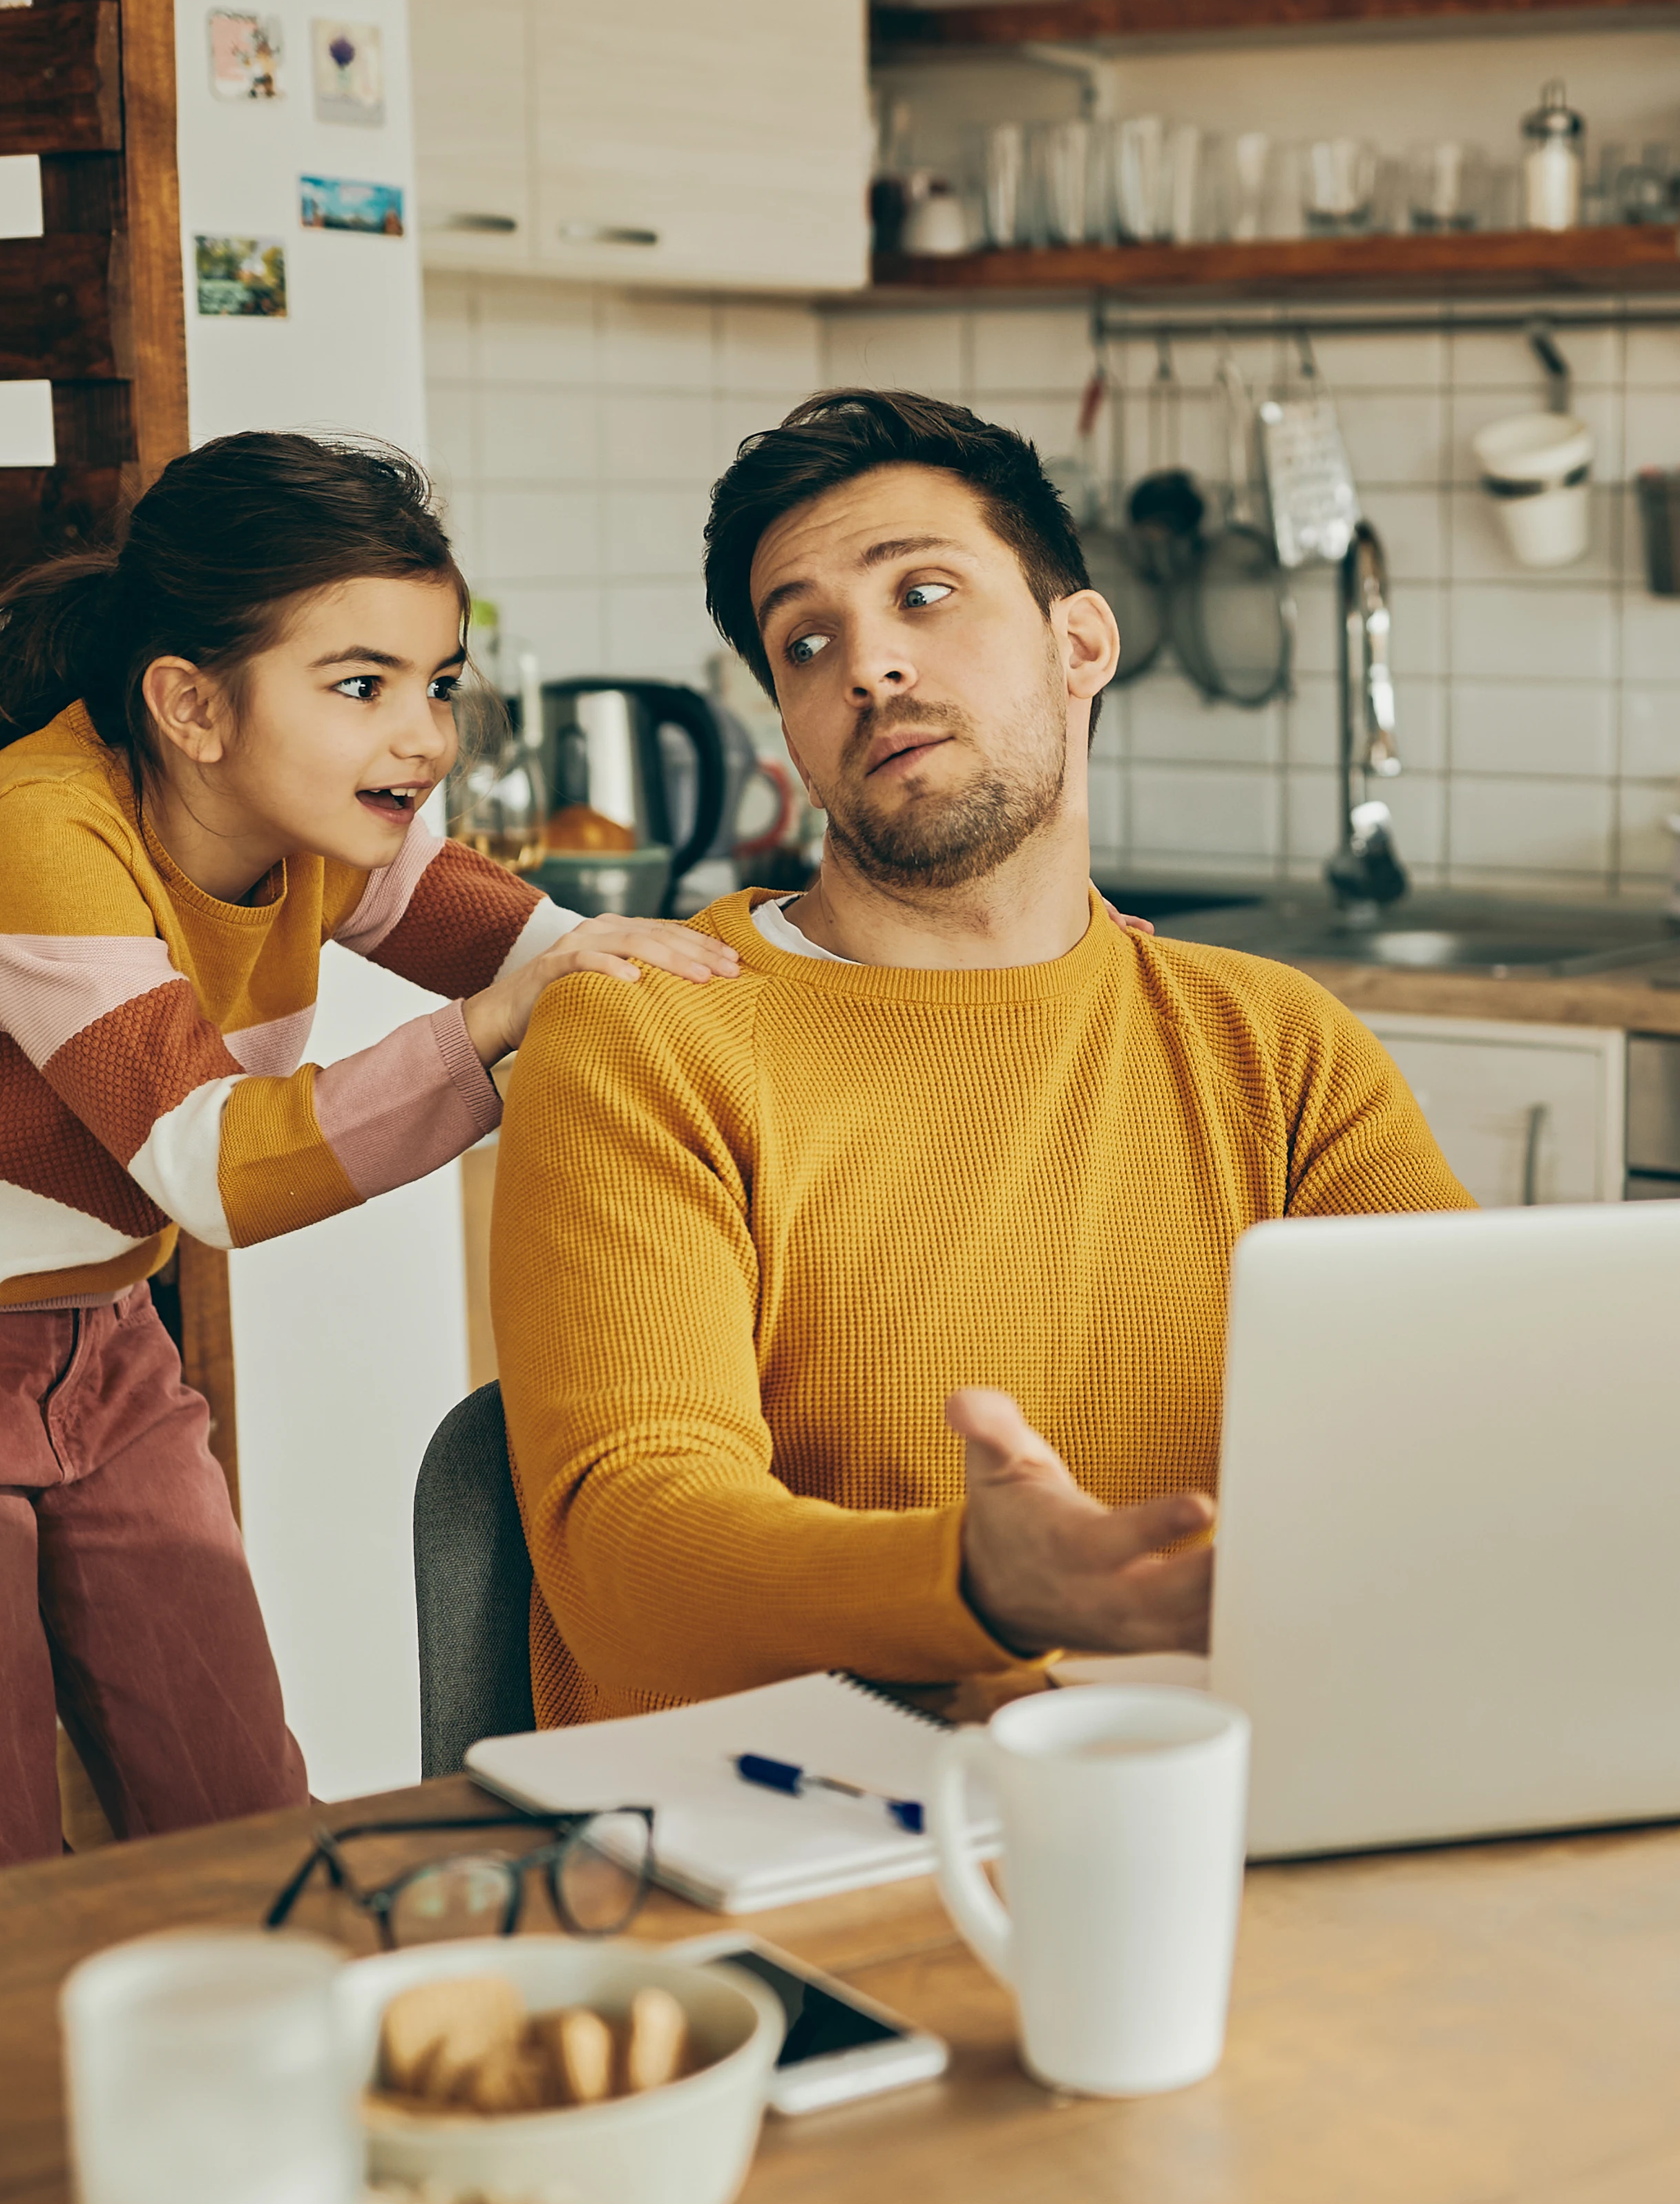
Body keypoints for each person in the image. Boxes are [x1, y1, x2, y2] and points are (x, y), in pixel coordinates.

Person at [0, 433, 734, 1890]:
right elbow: (213, 1167)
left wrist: (715, 978)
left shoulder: (310, 823)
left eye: (437, 683)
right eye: (362, 685)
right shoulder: (37, 833)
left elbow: (547, 944)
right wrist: (503, 1022)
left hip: (101, 1342)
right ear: (192, 705)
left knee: (248, 1825)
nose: (424, 739)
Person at [486, 390, 1473, 1727]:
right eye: (807, 641)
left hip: (1222, 1769)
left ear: (1082, 644)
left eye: (925, 595)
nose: (869, 667)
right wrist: (979, 1586)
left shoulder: (1278, 1043)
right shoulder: (645, 1034)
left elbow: (1481, 1410)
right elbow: (627, 1555)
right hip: (796, 1805)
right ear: (791, 730)